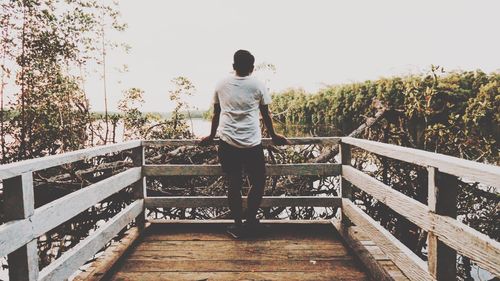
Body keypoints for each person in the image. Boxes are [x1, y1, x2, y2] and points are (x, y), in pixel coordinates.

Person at [200, 49, 289, 238]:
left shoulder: (221, 84)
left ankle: (238, 225)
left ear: (233, 66)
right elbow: (265, 114)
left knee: (234, 182)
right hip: (251, 143)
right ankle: (250, 222)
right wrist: (273, 135)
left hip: (227, 141)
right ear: (252, 67)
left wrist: (210, 136)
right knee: (258, 182)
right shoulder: (257, 84)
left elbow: (216, 113)